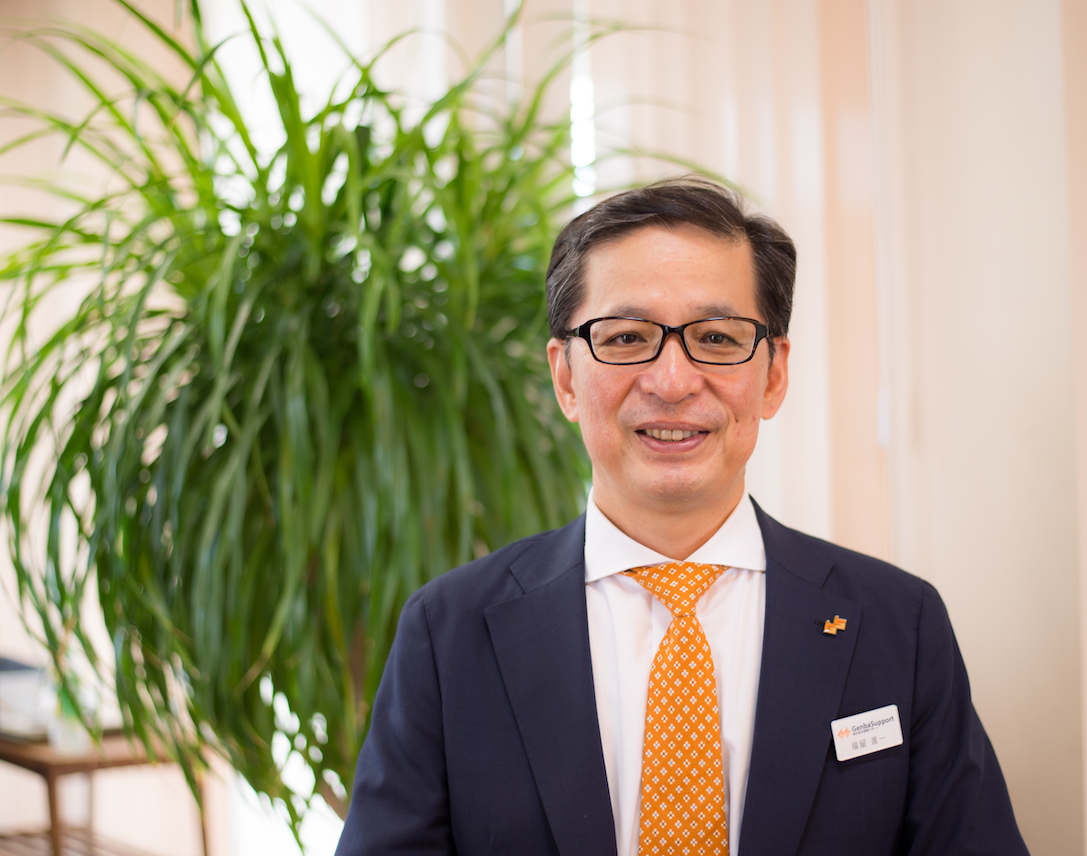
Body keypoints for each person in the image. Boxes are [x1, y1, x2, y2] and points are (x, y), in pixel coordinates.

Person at [336, 178, 1029, 856]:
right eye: (627, 337)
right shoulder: (448, 633)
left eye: (718, 338)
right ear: (566, 378)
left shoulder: (899, 626)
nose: (671, 382)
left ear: (773, 374)